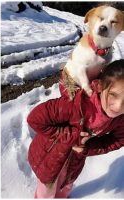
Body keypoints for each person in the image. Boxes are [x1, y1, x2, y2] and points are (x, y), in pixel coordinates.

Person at [27, 59, 124, 198]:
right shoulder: (76, 104)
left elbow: (119, 139)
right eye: (113, 95)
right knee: (47, 190)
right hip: (50, 157)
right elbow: (35, 119)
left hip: (74, 163)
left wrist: (87, 148)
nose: (118, 106)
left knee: (66, 186)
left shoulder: (121, 118)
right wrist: (72, 137)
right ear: (100, 86)